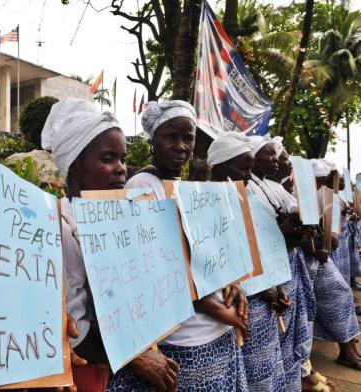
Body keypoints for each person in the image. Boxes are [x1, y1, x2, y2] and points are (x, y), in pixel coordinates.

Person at [41, 98, 180, 391]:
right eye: (108, 158)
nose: (121, 169)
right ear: (76, 165)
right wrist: (135, 356)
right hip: (87, 377)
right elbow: (75, 330)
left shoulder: (121, 218)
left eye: (123, 159)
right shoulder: (61, 228)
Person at [126, 101, 249, 392]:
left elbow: (211, 253)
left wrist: (235, 284)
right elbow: (160, 269)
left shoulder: (188, 188)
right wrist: (220, 312)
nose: (181, 145)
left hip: (216, 329)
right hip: (184, 336)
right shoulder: (141, 187)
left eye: (188, 137)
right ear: (153, 139)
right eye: (171, 136)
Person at [207, 133, 288, 392]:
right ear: (219, 166)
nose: (248, 176)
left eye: (250, 169)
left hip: (254, 299)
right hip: (230, 308)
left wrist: (273, 285)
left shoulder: (242, 198)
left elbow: (259, 250)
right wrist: (260, 288)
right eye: (243, 168)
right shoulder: (201, 205)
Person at [247, 135, 314, 392]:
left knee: (287, 336)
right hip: (268, 275)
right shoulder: (248, 187)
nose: (276, 160)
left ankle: (294, 380)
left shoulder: (269, 186)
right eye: (270, 154)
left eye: (278, 155)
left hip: (285, 267)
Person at [311, 159, 361, 371]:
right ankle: (346, 351)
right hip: (310, 259)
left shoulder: (324, 196)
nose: (328, 185)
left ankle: (349, 346)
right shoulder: (302, 197)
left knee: (342, 296)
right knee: (336, 297)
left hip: (321, 256)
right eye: (322, 181)